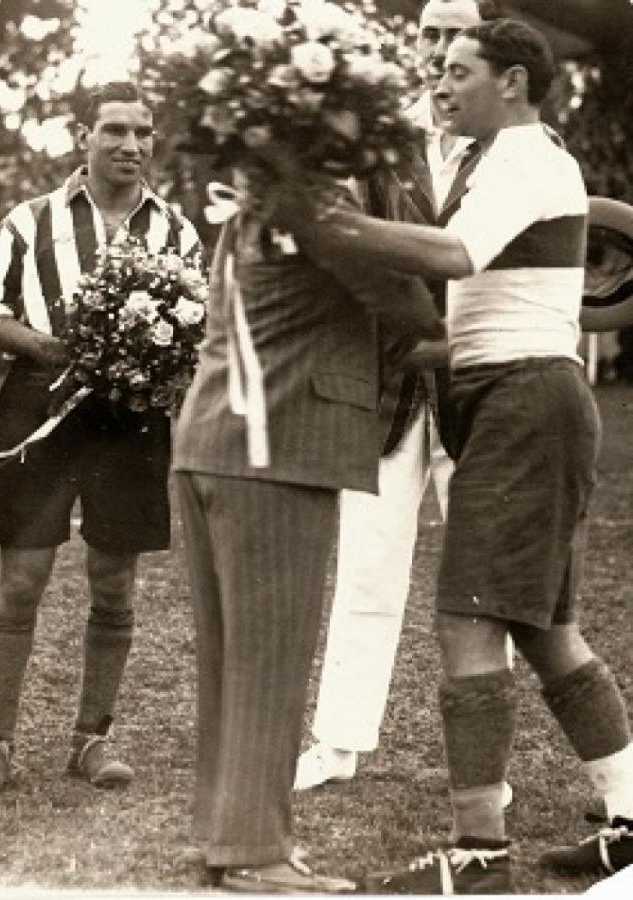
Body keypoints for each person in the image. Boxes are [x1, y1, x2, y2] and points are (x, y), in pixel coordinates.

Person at [264, 19, 633, 893]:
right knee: (544, 630)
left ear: (510, 80)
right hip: (510, 396)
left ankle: (477, 850)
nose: (438, 84)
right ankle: (627, 814)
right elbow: (479, 307)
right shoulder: (492, 159)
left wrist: (326, 225)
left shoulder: (526, 158)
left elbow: (450, 254)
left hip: (525, 404)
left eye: (456, 72)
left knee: (469, 617)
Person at [172, 161, 444, 887]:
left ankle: (222, 833)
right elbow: (420, 312)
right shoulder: (317, 209)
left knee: (233, 662)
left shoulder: (254, 204)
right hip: (276, 453)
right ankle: (255, 853)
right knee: (271, 660)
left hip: (212, 446)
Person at [294, 0, 518, 797]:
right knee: (365, 563)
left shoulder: (517, 144)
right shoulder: (380, 135)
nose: (435, 49)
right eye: (425, 32)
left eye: (453, 35)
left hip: (482, 379)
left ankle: (489, 761)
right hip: (390, 377)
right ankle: (339, 742)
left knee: (488, 576)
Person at [0, 81, 200, 797]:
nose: (130, 145)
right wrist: (50, 350)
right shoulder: (28, 221)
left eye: (143, 131)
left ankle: (91, 738)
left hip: (129, 416)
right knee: (21, 580)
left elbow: (198, 323)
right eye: (113, 130)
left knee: (115, 578)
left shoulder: (178, 232)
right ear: (82, 136)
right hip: (38, 405)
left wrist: (156, 363)